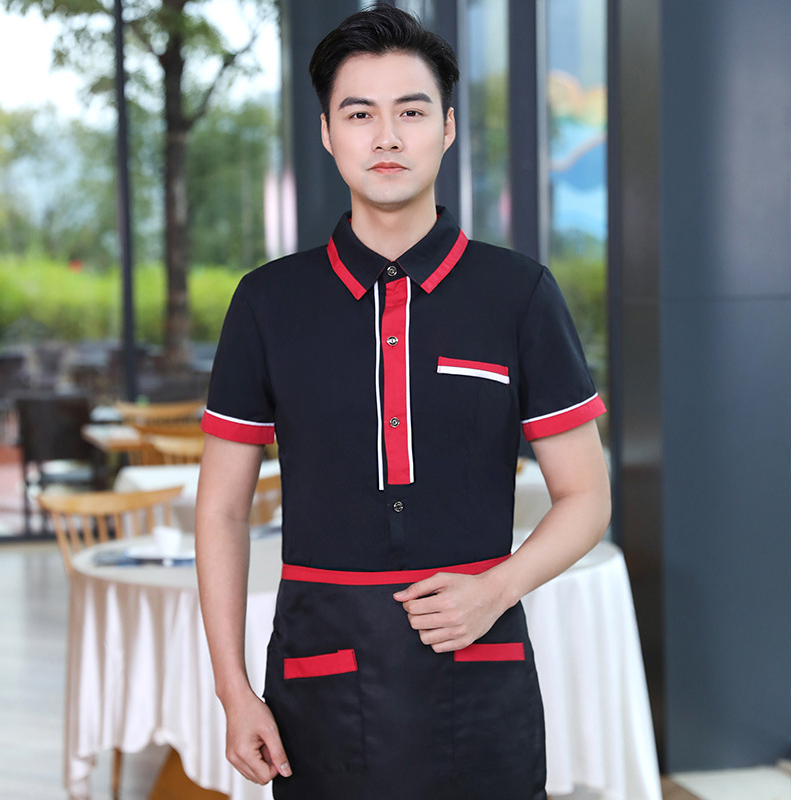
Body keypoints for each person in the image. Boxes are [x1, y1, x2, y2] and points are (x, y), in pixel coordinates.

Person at [195, 5, 610, 799]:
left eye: (411, 112)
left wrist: (497, 589)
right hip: (320, 680)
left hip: (478, 669)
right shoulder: (267, 303)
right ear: (327, 133)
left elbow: (588, 497)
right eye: (360, 114)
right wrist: (233, 689)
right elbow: (219, 512)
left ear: (447, 128)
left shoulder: (519, 294)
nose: (386, 136)